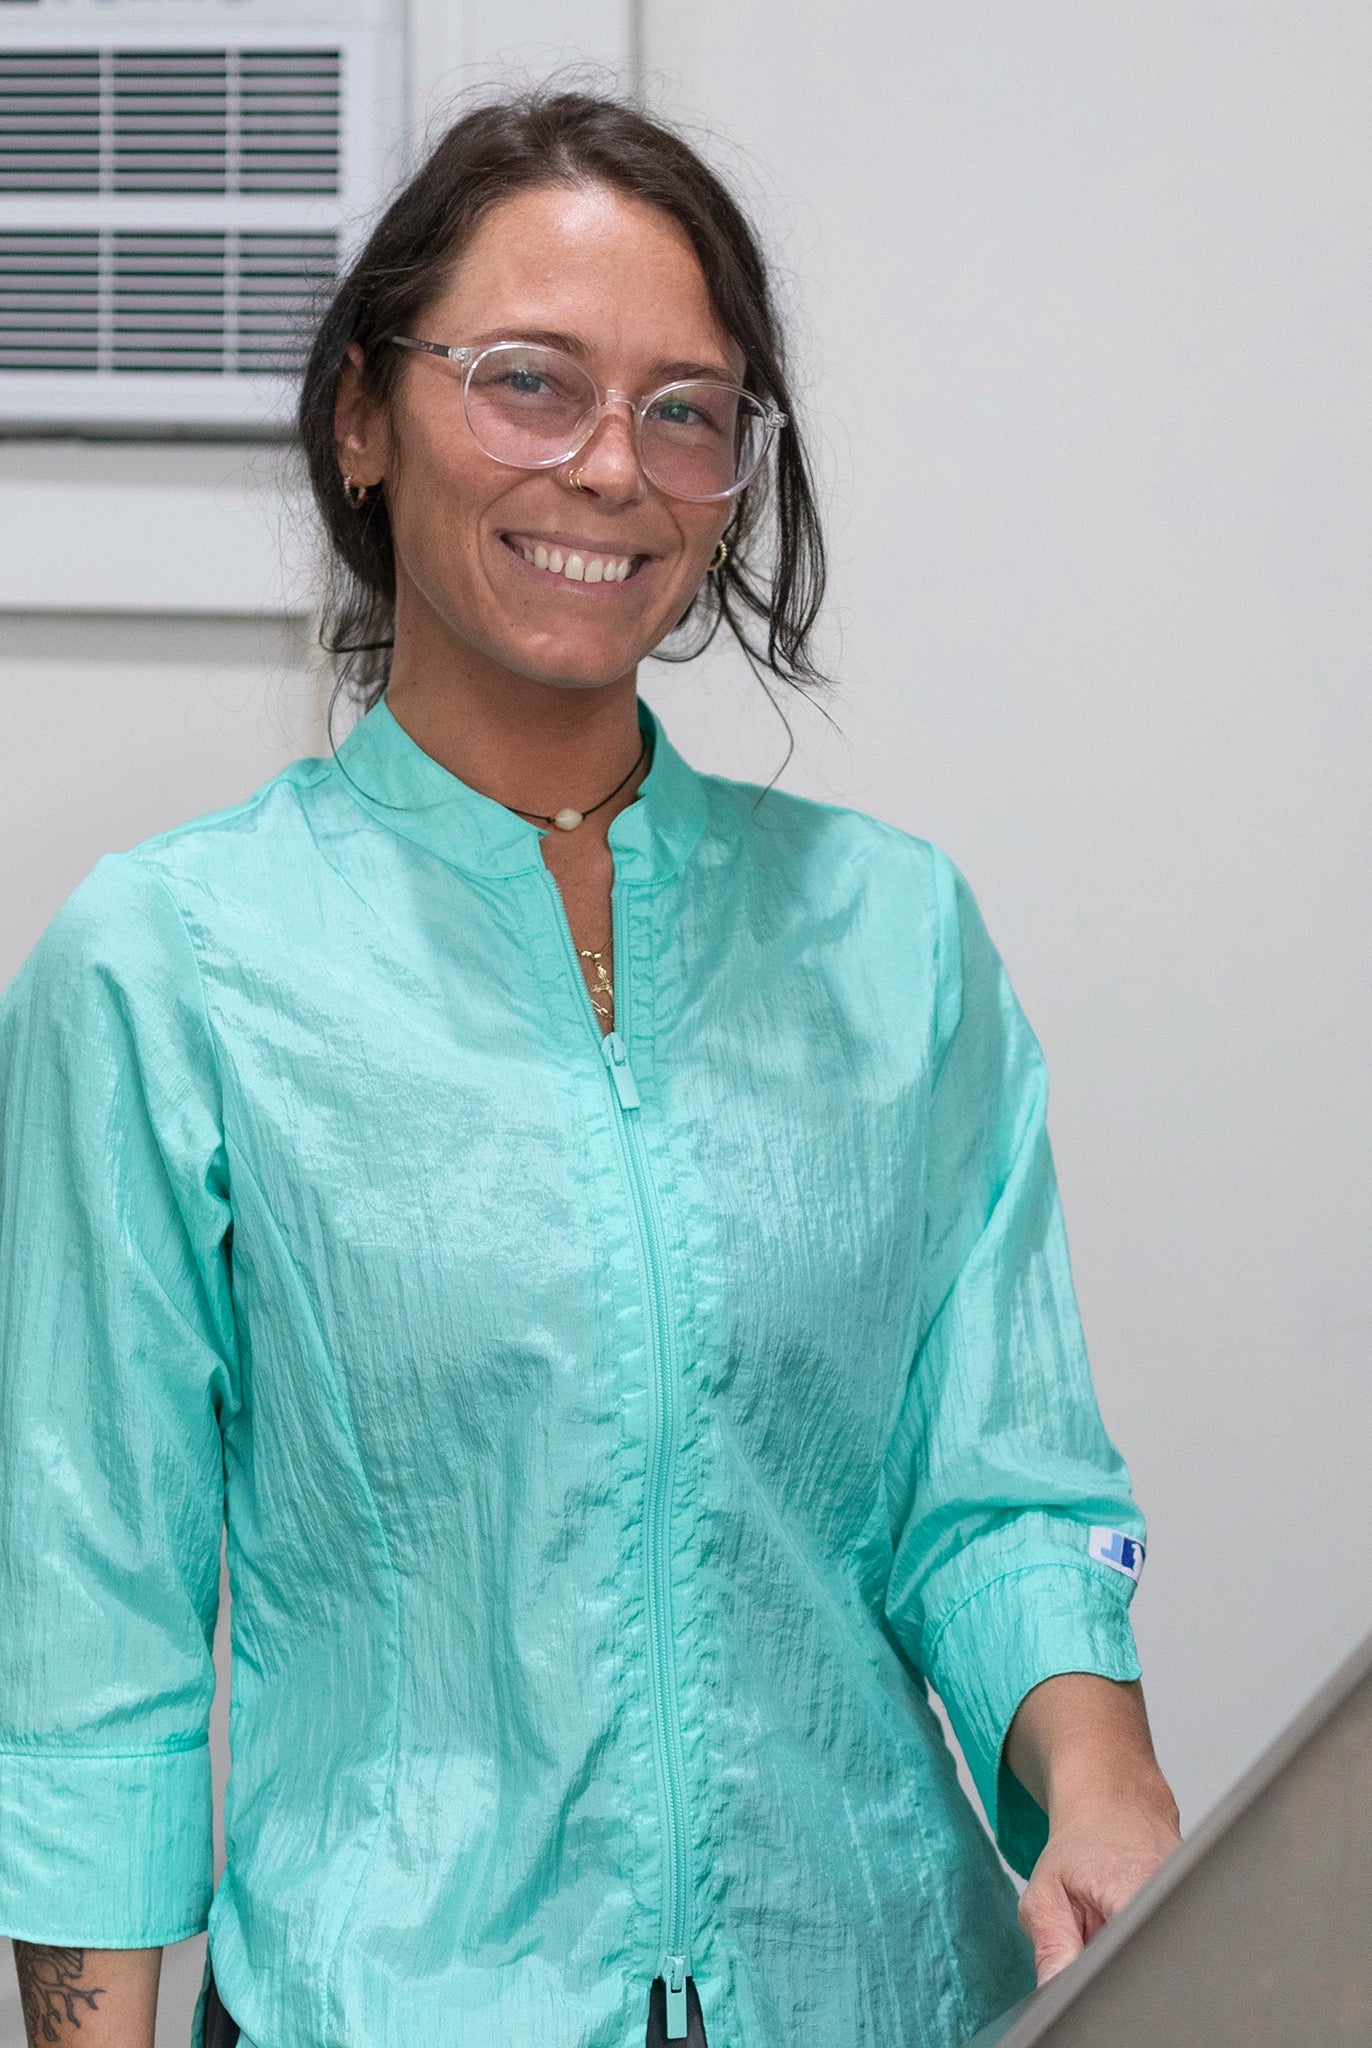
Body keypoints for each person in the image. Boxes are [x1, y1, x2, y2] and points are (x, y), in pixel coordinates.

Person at [0, 87, 1180, 2048]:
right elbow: (89, 1641)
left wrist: (1103, 1779)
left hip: (882, 2000)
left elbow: (998, 1493)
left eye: (684, 409)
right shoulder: (167, 967)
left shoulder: (893, 938)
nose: (610, 465)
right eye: (528, 382)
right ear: (364, 418)